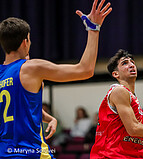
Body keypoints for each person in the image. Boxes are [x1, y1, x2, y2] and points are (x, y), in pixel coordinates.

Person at [0, 0, 112, 158]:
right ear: (25, 42)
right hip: (31, 152)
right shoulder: (31, 68)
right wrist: (93, 29)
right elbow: (85, 70)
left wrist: (48, 117)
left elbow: (15, 108)